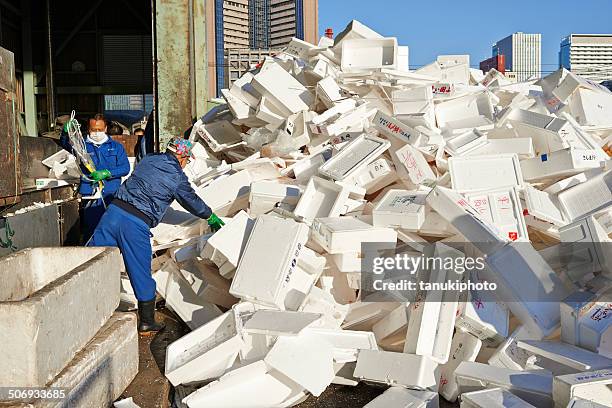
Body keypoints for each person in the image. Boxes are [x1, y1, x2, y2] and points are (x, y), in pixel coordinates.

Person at [88, 138, 225, 333]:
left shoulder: (149, 159)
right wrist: (209, 215)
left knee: (90, 259)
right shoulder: (177, 176)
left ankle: (76, 301)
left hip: (112, 214)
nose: (186, 163)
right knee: (140, 273)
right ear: (181, 157)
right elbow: (190, 200)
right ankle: (147, 322)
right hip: (134, 225)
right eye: (187, 159)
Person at [61, 114, 130, 241]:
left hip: (111, 194)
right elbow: (66, 144)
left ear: (105, 129)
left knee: (112, 227)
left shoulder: (116, 147)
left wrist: (107, 173)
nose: (96, 133)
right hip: (91, 194)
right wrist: (66, 132)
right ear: (88, 129)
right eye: (93, 130)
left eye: (99, 129)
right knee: (92, 228)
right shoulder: (81, 145)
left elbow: (125, 168)